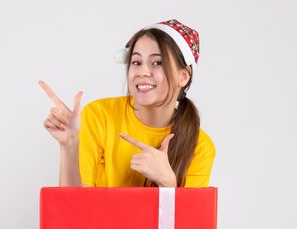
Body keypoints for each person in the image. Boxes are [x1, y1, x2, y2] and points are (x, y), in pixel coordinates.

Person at [40, 19, 215, 187]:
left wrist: (168, 183)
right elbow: (73, 210)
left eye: (157, 63)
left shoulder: (200, 147)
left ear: (183, 76)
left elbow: (189, 218)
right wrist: (70, 144)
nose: (143, 71)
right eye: (136, 62)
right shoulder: (99, 116)